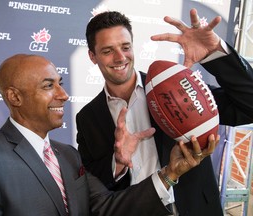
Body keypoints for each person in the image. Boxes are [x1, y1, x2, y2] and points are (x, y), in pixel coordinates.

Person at [0, 54, 215, 216]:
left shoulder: (68, 156)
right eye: (48, 85)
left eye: (60, 83)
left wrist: (171, 173)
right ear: (14, 97)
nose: (63, 95)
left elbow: (109, 207)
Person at [76, 9, 253, 216]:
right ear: (92, 56)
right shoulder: (88, 117)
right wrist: (118, 163)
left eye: (125, 47)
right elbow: (91, 183)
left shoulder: (173, 87)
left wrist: (215, 53)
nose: (120, 57)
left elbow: (248, 106)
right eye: (107, 51)